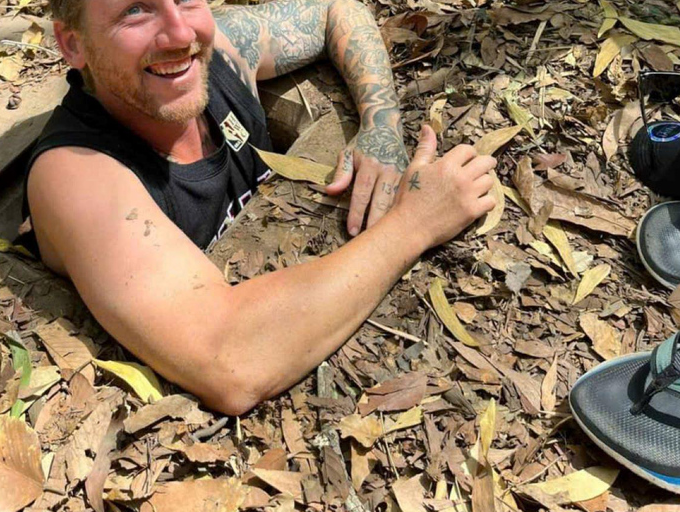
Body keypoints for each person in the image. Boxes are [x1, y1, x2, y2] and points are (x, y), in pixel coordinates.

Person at [26, 0, 498, 415]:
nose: (181, 34)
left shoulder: (220, 54)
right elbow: (231, 361)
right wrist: (415, 222)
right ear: (73, 44)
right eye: (135, 10)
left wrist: (381, 126)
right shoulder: (77, 175)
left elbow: (336, 9)